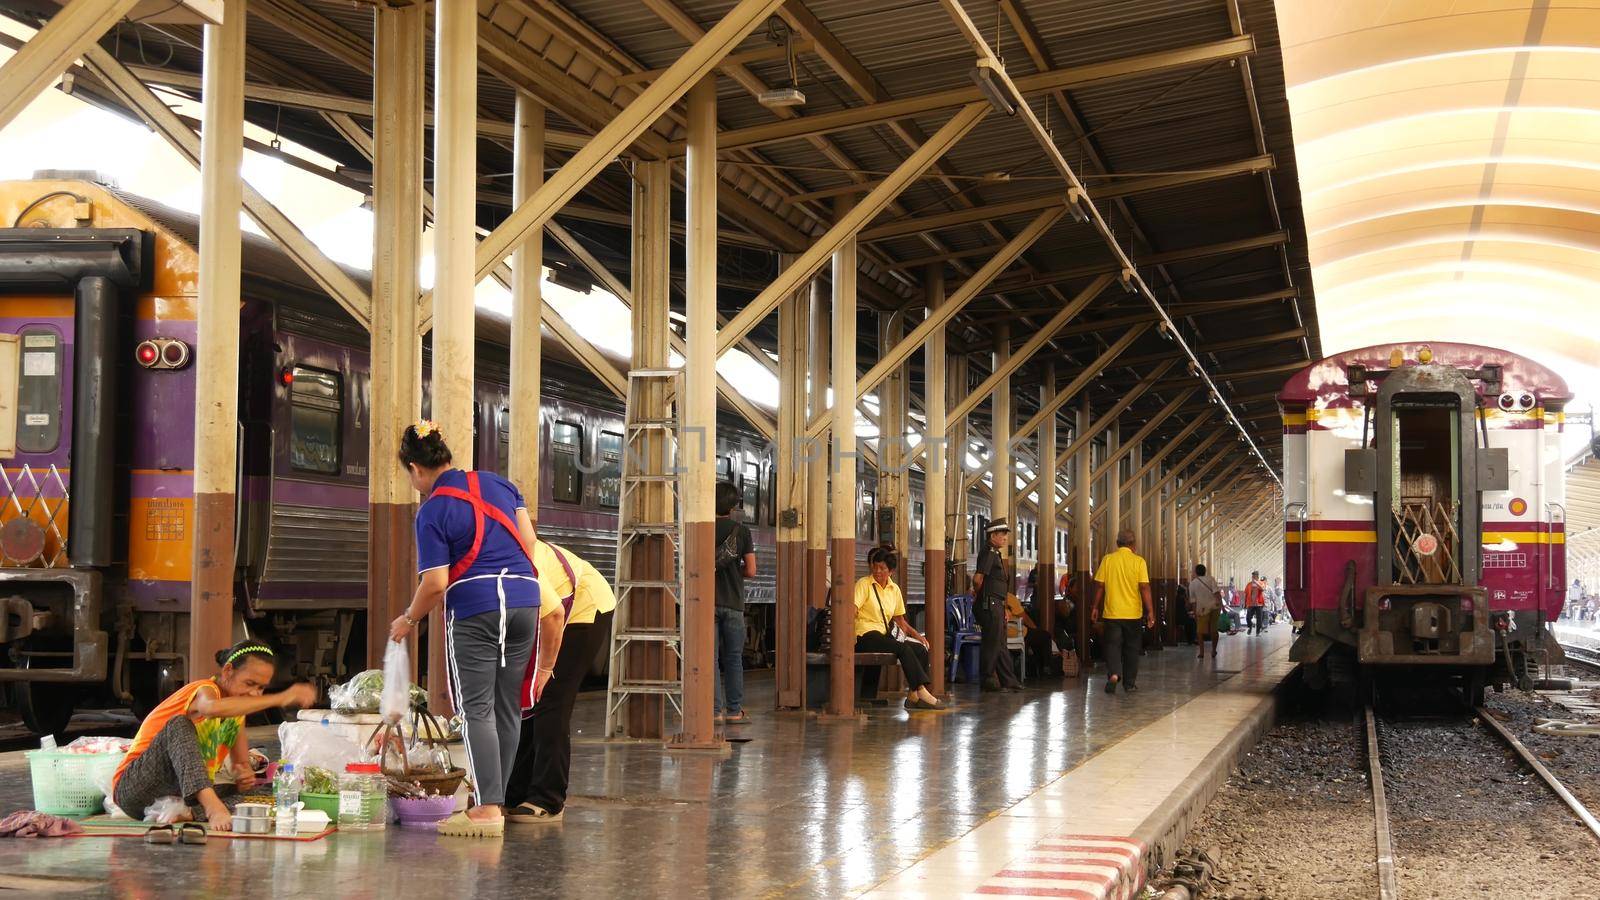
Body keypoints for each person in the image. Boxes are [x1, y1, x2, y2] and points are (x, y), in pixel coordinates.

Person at [388, 421, 564, 838]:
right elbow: (528, 541)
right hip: (524, 600)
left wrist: (408, 620)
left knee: (477, 710)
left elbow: (435, 584)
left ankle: (486, 808)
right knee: (507, 707)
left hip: (476, 607)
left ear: (415, 468)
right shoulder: (499, 484)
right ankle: (493, 800)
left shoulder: (432, 510)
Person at [112, 640, 317, 832]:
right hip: (136, 790)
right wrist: (281, 697)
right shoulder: (206, 690)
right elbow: (210, 708)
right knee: (179, 724)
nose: (255, 694)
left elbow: (241, 766)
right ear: (228, 671)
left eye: (261, 688)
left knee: (275, 795)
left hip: (182, 796)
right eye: (249, 683)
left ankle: (190, 813)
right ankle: (212, 809)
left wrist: (242, 775)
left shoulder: (237, 712)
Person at [505, 540, 617, 824]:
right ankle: (515, 792)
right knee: (526, 699)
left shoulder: (517, 564)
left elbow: (554, 615)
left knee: (551, 697)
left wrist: (544, 667)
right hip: (548, 611)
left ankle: (548, 798)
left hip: (584, 606)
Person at [854, 547, 943, 710]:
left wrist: (918, 636)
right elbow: (852, 609)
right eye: (875, 567)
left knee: (920, 649)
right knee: (902, 649)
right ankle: (921, 690)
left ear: (891, 571)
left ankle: (912, 696)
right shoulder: (863, 584)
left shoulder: (894, 589)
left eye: (882, 568)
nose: (877, 571)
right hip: (865, 635)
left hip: (883, 635)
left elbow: (899, 620)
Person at [1090, 529, 1155, 693]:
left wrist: (1095, 607)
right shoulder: (1139, 562)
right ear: (1133, 545)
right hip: (1133, 614)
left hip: (1112, 613)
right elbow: (1144, 587)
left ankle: (1113, 674)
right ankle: (1129, 683)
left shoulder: (1108, 560)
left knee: (1112, 646)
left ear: (1117, 544)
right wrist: (1150, 611)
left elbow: (1099, 586)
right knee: (1132, 649)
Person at [713, 481, 756, 725]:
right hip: (734, 603)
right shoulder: (742, 532)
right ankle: (734, 710)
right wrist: (734, 571)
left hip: (707, 602)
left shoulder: (702, 528)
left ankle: (714, 711)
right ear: (733, 506)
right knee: (733, 658)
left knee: (710, 659)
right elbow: (751, 570)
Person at [972, 518, 1014, 692]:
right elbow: (978, 579)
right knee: (992, 643)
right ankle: (987, 678)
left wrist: (1002, 606)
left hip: (996, 603)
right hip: (990, 604)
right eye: (1003, 534)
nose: (1005, 538)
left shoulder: (995, 553)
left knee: (1000, 643)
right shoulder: (989, 552)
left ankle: (1009, 680)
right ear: (993, 535)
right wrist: (980, 595)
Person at [1187, 564, 1223, 660]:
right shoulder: (1211, 579)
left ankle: (1201, 652)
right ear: (1205, 571)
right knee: (1214, 630)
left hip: (1202, 609)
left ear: (1195, 572)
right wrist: (1222, 607)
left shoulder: (1192, 584)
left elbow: (1193, 601)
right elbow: (1217, 594)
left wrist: (1194, 613)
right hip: (1215, 607)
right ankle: (1213, 650)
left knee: (1200, 631)